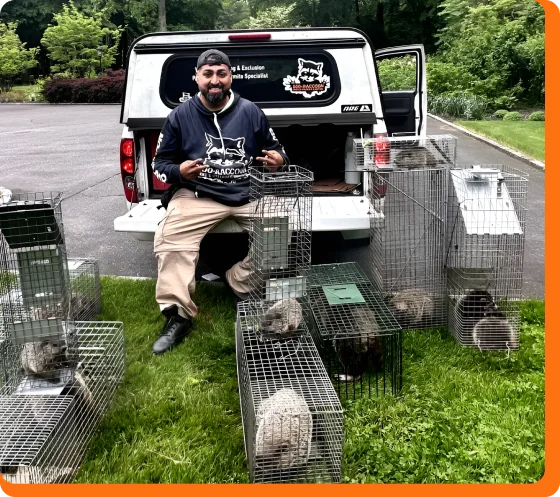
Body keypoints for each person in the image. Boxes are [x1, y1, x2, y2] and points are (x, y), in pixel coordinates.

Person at [151, 49, 289, 355]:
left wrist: (279, 159)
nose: (215, 81)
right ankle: (178, 317)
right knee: (171, 237)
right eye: (208, 74)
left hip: (248, 192)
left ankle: (239, 282)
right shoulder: (180, 115)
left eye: (221, 74)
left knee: (279, 228)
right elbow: (159, 163)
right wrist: (178, 171)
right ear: (197, 78)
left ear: (230, 77)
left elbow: (277, 148)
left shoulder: (251, 111)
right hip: (199, 195)